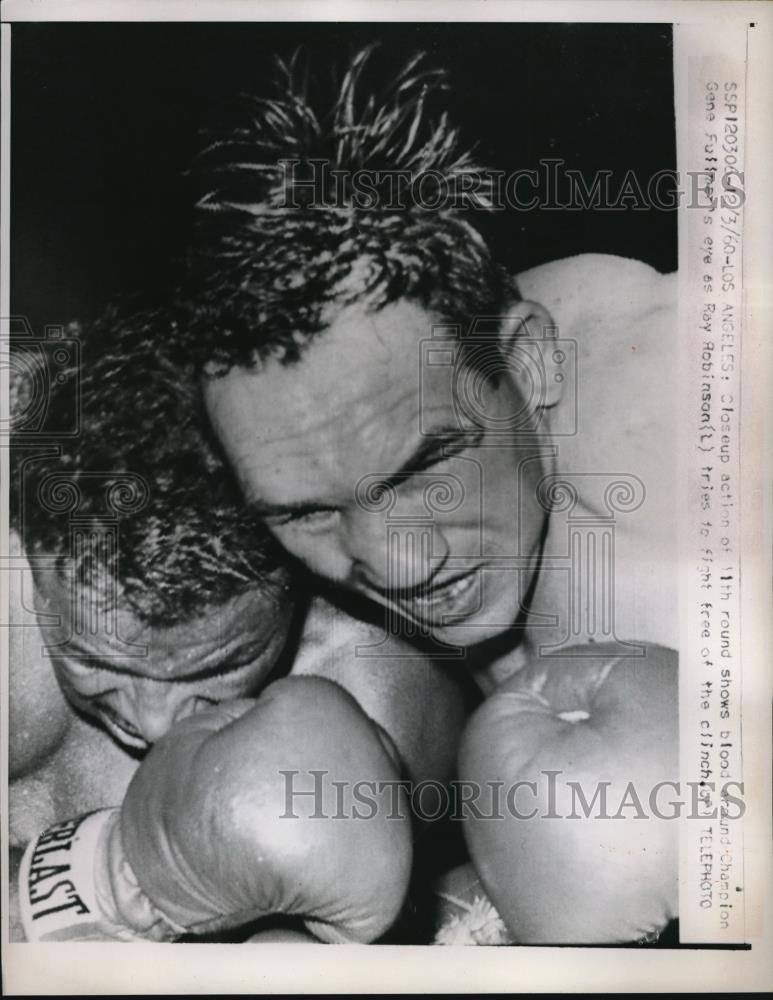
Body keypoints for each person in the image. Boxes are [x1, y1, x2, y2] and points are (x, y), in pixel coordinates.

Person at [184, 47, 680, 944]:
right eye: (306, 511)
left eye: (422, 467)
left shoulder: (683, 453)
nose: (395, 565)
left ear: (527, 360)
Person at [9, 305, 469, 942]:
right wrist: (104, 881)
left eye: (221, 665)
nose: (154, 722)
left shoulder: (374, 706)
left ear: (301, 568)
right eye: (93, 660)